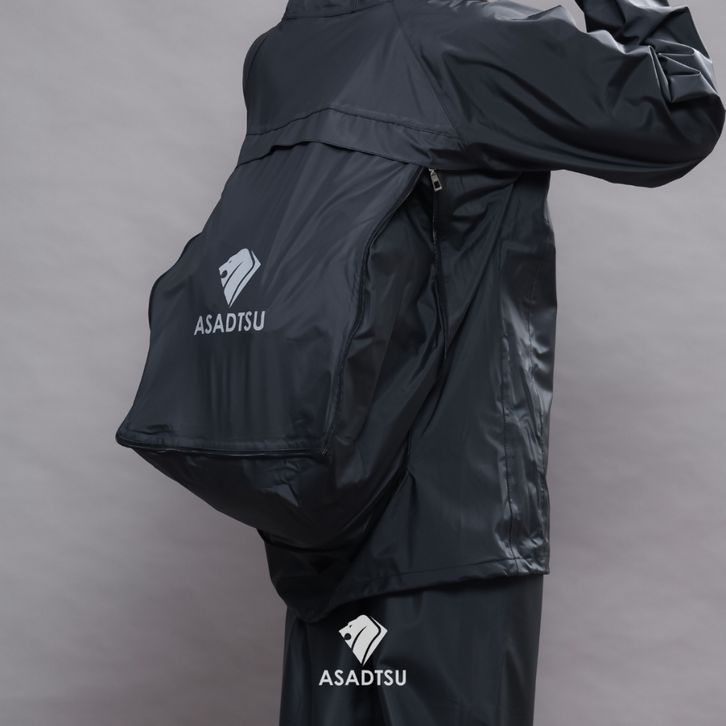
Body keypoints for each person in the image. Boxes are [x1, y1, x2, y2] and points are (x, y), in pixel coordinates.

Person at [118, 0, 724, 723]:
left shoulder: (285, 55)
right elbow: (680, 111)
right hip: (449, 531)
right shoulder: (465, 45)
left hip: (322, 508)